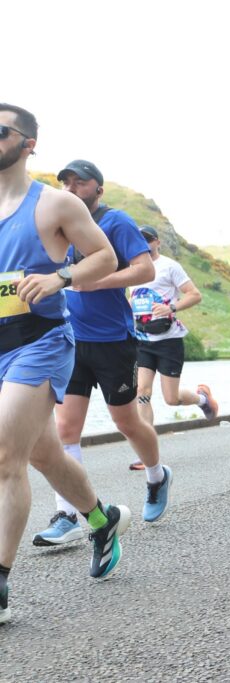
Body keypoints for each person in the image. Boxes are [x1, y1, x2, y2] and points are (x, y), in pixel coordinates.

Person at [0, 104, 130, 624]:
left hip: (40, 342)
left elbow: (105, 258)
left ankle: (2, 581)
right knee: (44, 454)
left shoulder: (54, 204)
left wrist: (60, 278)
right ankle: (101, 519)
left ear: (29, 143)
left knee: (6, 453)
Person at [33, 159, 172, 546]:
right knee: (64, 428)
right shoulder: (59, 227)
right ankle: (68, 514)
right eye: (66, 182)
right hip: (69, 339)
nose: (73, 187)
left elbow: (144, 270)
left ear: (99, 188)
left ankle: (157, 476)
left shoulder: (117, 223)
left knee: (126, 422)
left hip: (113, 340)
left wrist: (97, 281)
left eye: (81, 181)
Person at [129, 225, 217, 470]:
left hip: (168, 341)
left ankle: (202, 399)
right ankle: (147, 454)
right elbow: (134, 298)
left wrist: (171, 307)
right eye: (138, 240)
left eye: (147, 240)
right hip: (143, 340)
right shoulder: (132, 267)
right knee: (142, 391)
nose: (142, 245)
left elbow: (194, 294)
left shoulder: (169, 266)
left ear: (157, 242)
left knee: (171, 399)